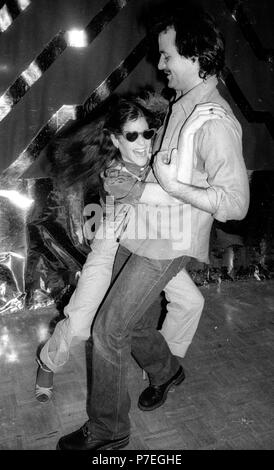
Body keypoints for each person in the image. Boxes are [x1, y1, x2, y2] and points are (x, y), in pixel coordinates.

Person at [57, 2, 250, 450]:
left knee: (109, 330)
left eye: (167, 55)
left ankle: (108, 433)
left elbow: (235, 204)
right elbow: (166, 172)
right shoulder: (183, 105)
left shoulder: (215, 123)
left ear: (196, 57)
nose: (159, 64)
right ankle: (168, 371)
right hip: (142, 228)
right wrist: (132, 182)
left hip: (168, 240)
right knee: (138, 324)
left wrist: (169, 186)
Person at [35, 94, 208, 401]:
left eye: (147, 133)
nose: (142, 142)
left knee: (191, 302)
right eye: (131, 136)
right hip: (113, 249)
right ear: (115, 140)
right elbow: (173, 196)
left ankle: (162, 366)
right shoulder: (116, 176)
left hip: (149, 247)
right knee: (81, 325)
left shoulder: (155, 155)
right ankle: (47, 362)